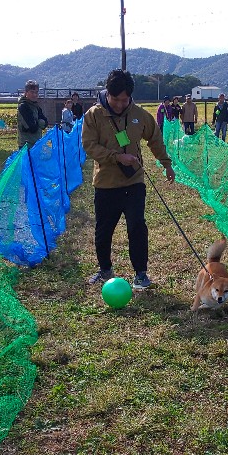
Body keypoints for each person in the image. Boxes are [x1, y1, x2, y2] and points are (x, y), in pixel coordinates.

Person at [82, 69, 176, 290]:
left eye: (124, 100)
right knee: (104, 229)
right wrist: (116, 157)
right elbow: (89, 146)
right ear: (108, 94)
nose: (119, 105)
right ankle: (105, 269)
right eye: (115, 100)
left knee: (137, 226)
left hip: (134, 181)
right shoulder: (93, 115)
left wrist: (166, 164)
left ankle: (141, 273)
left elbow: (154, 139)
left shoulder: (139, 115)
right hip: (106, 184)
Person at [17, 80, 48, 149]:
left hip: (36, 144)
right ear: (26, 92)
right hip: (26, 146)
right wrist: (40, 122)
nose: (34, 95)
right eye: (32, 92)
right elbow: (32, 128)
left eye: (36, 92)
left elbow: (46, 123)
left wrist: (38, 123)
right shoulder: (23, 106)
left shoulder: (36, 106)